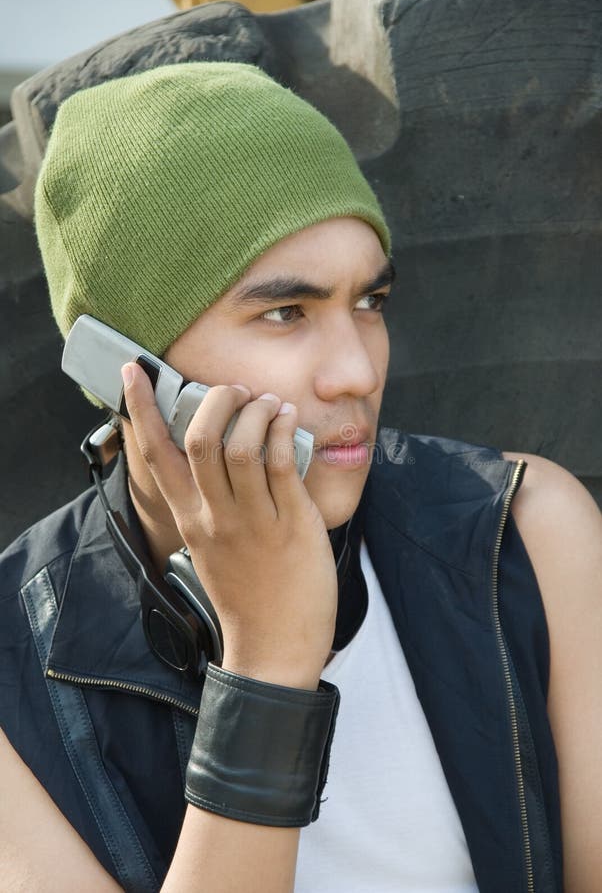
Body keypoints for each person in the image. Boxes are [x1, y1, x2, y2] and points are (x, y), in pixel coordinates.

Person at [0, 61, 600, 893]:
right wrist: (270, 663)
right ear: (122, 365)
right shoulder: (14, 671)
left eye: (370, 301)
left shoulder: (523, 532)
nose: (355, 371)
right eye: (285, 313)